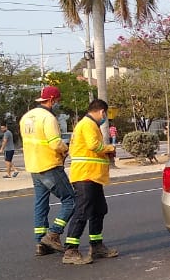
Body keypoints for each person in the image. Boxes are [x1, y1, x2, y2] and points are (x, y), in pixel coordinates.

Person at [20, 85, 76, 257]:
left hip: (33, 166)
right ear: (51, 100)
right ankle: (54, 233)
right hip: (49, 165)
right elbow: (54, 143)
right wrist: (66, 149)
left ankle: (40, 242)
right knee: (71, 200)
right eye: (57, 101)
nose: (57, 104)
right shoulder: (48, 118)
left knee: (41, 204)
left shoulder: (26, 117)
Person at [63, 99, 118, 264]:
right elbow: (94, 145)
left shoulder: (88, 125)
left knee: (99, 210)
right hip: (85, 176)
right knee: (83, 211)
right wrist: (110, 148)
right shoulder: (88, 124)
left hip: (93, 176)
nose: (105, 117)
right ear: (102, 112)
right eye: (105, 114)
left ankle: (97, 245)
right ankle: (70, 250)